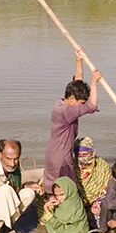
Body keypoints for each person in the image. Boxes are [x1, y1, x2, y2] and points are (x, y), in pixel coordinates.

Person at [44, 48, 102, 196]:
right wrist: (94, 83)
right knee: (65, 191)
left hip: (55, 152)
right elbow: (92, 106)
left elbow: (77, 82)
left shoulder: (62, 102)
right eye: (80, 102)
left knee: (59, 186)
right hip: (61, 157)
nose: (81, 106)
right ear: (71, 99)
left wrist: (78, 60)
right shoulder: (66, 111)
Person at [74, 136, 112, 218]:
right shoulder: (71, 166)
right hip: (78, 201)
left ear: (92, 153)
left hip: (99, 199)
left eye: (85, 154)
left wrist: (99, 202)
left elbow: (108, 185)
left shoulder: (101, 165)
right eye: (78, 155)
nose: (81, 158)